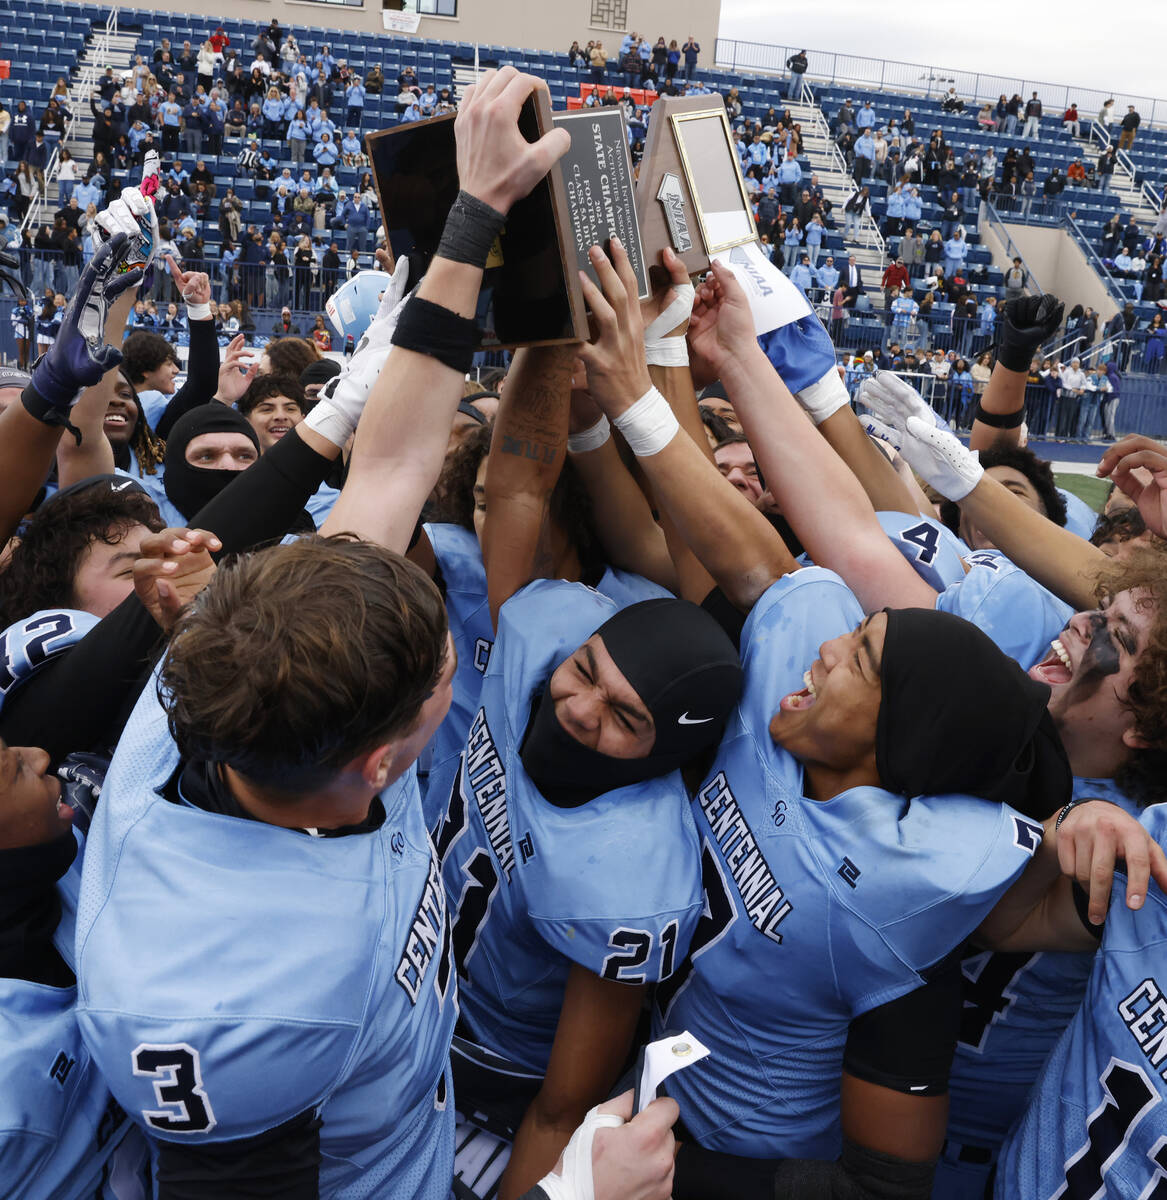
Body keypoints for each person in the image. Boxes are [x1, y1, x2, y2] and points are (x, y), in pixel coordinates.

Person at [74, 67, 576, 1199]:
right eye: (442, 662)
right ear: (384, 758)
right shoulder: (225, 1010)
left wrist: (474, 217)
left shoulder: (230, 690)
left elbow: (392, 462)